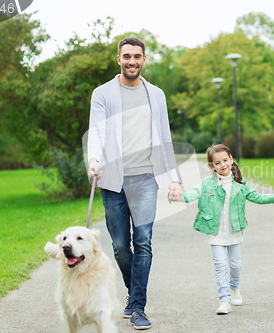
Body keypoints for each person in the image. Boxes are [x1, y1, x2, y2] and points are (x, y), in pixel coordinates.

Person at [87, 37, 182, 330]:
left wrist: (173, 179)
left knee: (143, 242)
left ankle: (138, 306)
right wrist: (93, 159)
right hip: (113, 180)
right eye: (126, 56)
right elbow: (97, 131)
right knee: (119, 246)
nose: (132, 61)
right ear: (119, 59)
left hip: (145, 179)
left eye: (137, 56)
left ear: (144, 59)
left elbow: (165, 137)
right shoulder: (103, 93)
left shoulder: (156, 94)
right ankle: (133, 292)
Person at [169, 144, 274, 315]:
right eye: (217, 163)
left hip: (234, 230)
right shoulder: (206, 183)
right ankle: (224, 299)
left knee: (236, 266)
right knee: (221, 265)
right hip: (215, 231)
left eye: (224, 160)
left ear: (231, 159)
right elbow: (192, 194)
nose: (222, 165)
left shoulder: (240, 184)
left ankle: (234, 288)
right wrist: (179, 196)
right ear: (212, 166)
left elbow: (257, 197)